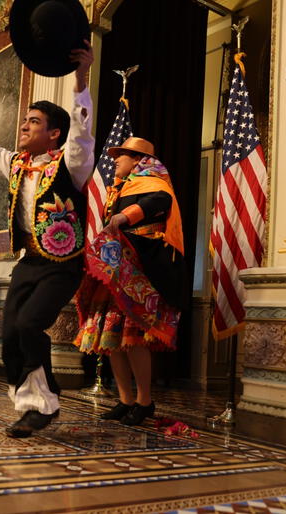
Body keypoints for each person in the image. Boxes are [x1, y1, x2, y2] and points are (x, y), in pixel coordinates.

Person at [0, 42, 94, 437]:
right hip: (29, 261)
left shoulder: (72, 163)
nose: (24, 126)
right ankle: (30, 401)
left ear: (53, 134)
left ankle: (43, 404)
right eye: (25, 121)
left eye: (33, 121)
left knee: (31, 324)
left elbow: (83, 132)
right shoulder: (16, 164)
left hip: (63, 266)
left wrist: (81, 79)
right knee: (12, 333)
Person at [74, 137, 187, 426]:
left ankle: (144, 400)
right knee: (113, 338)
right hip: (115, 273)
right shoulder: (121, 188)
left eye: (120, 156)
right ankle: (125, 399)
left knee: (135, 339)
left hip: (140, 271)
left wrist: (125, 216)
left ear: (137, 159)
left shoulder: (154, 183)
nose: (115, 161)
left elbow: (158, 202)